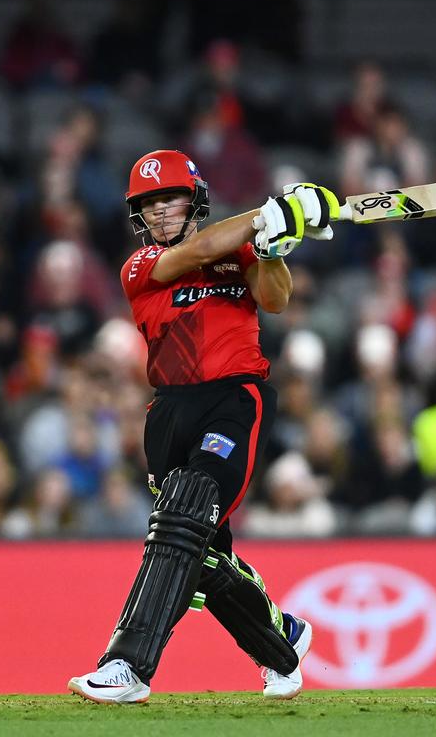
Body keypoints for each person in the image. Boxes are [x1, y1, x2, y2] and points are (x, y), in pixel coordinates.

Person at [68, 150, 337, 703]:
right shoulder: (139, 266)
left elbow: (276, 299)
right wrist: (276, 210)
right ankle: (283, 642)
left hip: (233, 399)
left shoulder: (240, 247)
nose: (161, 210)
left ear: (195, 199)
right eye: (149, 203)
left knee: (187, 509)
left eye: (170, 197)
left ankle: (128, 664)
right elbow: (198, 250)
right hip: (167, 413)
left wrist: (271, 246)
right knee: (199, 550)